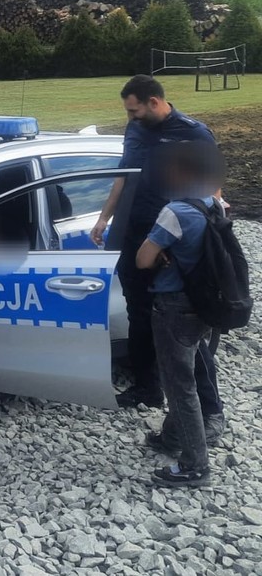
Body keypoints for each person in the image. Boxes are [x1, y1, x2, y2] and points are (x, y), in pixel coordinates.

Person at [90, 76, 224, 440]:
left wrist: (193, 243)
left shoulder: (194, 133)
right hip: (134, 236)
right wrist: (104, 218)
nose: (130, 117)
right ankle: (147, 387)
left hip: (172, 246)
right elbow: (122, 178)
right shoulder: (135, 129)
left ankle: (211, 411)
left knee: (183, 331)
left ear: (154, 102)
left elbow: (212, 192)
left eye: (134, 110)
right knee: (139, 313)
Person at [135, 140, 226, 487]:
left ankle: (195, 465)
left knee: (179, 385)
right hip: (203, 304)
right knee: (186, 370)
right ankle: (173, 437)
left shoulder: (175, 212)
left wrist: (159, 252)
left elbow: (142, 259)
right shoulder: (213, 203)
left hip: (174, 306)